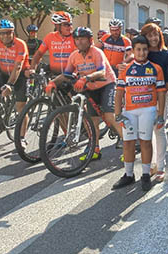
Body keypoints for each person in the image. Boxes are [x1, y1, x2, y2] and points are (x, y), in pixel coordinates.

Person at [45, 26, 119, 161]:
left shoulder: (97, 52)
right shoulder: (74, 56)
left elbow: (102, 72)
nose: (80, 42)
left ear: (90, 40)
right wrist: (53, 83)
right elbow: (66, 74)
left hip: (107, 84)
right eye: (77, 39)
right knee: (93, 120)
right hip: (90, 88)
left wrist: (85, 78)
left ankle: (128, 145)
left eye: (83, 39)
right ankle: (95, 149)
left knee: (109, 116)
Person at [113, 35, 167, 192]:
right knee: (128, 143)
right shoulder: (125, 69)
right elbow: (119, 93)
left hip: (148, 110)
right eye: (138, 49)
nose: (141, 53)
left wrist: (161, 114)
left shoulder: (156, 69)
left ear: (148, 50)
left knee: (145, 142)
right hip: (129, 111)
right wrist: (117, 113)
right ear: (133, 50)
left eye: (144, 49)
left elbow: (161, 93)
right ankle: (129, 175)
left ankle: (145, 174)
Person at [140, 22, 168, 182]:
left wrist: (159, 98)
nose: (153, 38)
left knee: (159, 129)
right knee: (147, 131)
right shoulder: (142, 53)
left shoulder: (167, 55)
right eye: (149, 35)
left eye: (155, 34)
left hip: (161, 96)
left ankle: (161, 166)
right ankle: (151, 163)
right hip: (143, 96)